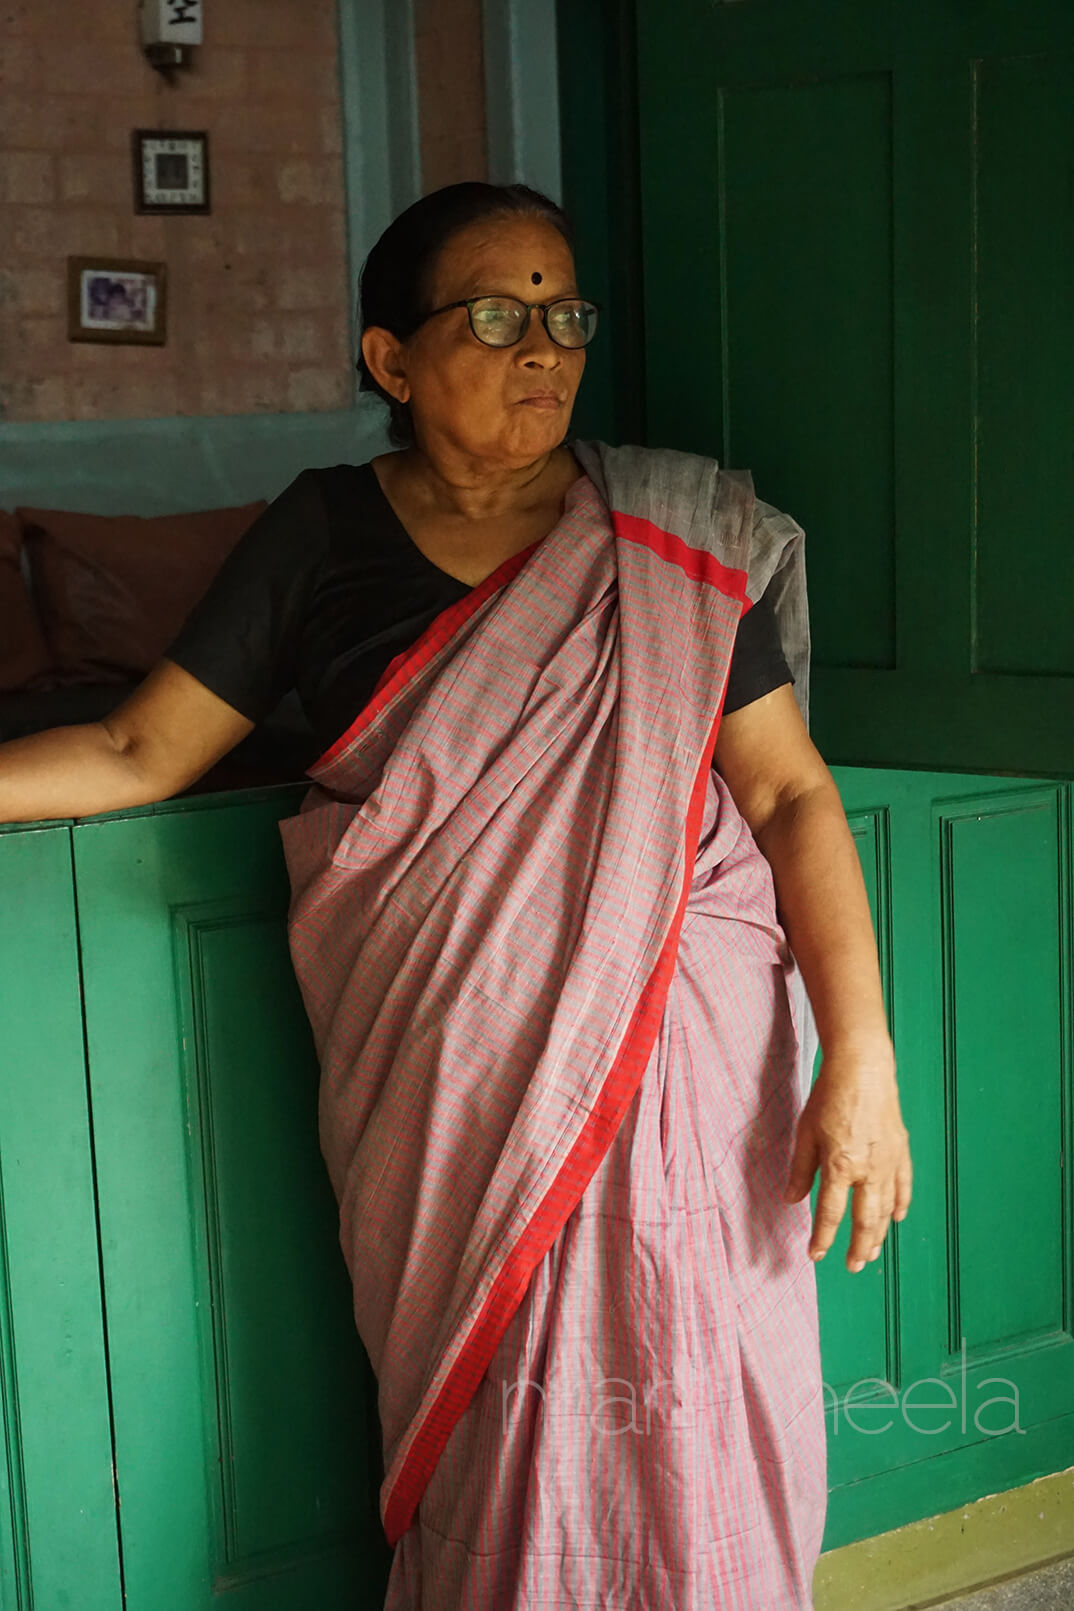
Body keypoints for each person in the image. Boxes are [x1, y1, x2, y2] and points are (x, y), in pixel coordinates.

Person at [0, 181, 912, 1609]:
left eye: (562, 312)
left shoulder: (666, 538)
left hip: (689, 1050)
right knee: (503, 1422)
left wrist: (858, 1057)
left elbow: (788, 794)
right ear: (392, 362)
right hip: (451, 1074)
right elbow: (135, 749)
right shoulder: (320, 536)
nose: (544, 344)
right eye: (496, 314)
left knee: (695, 1383)